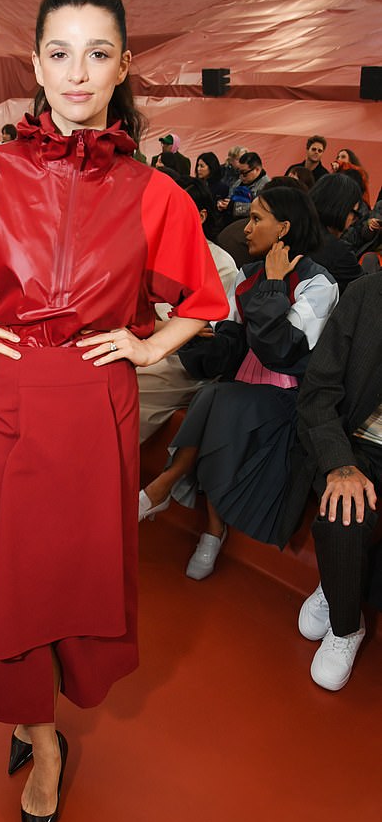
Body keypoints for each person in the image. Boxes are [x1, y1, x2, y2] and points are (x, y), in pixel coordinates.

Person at [0, 0, 228, 822]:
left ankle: (44, 714)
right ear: (34, 63)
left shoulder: (155, 192)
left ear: (122, 68)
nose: (78, 74)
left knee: (82, 579)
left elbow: (207, 299)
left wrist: (149, 348)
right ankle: (41, 743)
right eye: (60, 53)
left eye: (98, 54)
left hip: (100, 406)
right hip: (10, 399)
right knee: (16, 578)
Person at [140, 186, 339, 578]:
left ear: (283, 228)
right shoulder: (247, 276)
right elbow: (229, 348)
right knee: (217, 394)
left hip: (286, 394)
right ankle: (206, 525)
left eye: (256, 219)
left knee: (220, 399)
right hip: (238, 388)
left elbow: (279, 351)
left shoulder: (320, 284)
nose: (245, 228)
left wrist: (274, 285)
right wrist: (194, 336)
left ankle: (170, 489)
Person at [281, 274, 382, 690]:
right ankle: (346, 627)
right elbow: (318, 390)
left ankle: (335, 580)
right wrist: (340, 464)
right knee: (344, 511)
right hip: (355, 441)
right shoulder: (366, 295)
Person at [137, 175, 237, 442]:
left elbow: (202, 333)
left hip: (183, 359)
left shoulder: (221, 263)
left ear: (201, 215)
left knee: (130, 384)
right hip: (145, 341)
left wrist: (152, 331)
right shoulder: (153, 250)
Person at [218, 150, 269, 222]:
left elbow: (261, 209)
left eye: (244, 173)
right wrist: (223, 204)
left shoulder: (267, 186)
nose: (241, 176)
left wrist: (233, 206)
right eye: (239, 172)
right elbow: (230, 197)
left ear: (257, 170)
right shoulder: (239, 182)